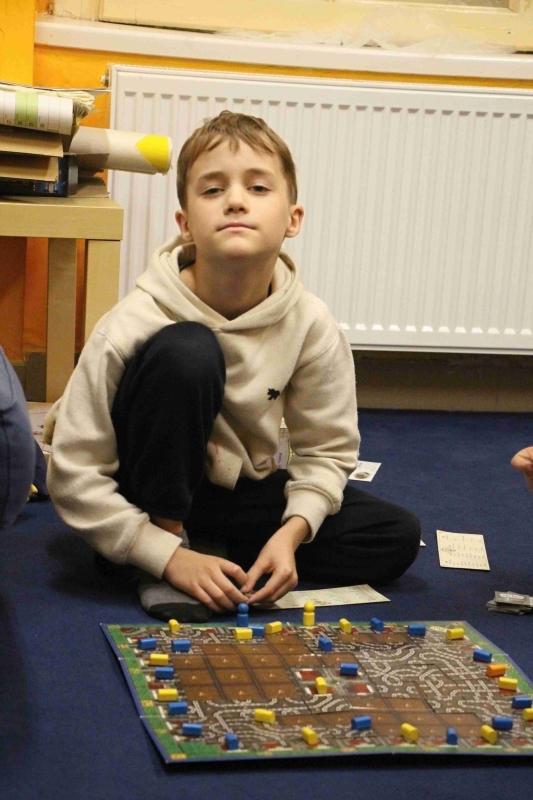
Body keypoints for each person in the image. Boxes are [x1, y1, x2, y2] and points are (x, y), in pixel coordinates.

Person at [46, 111, 420, 621]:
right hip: (146, 491)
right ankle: (164, 551)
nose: (236, 201)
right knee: (189, 351)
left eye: (258, 188)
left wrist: (289, 537)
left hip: (233, 491)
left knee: (394, 537)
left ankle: (206, 553)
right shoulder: (133, 321)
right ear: (185, 225)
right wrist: (164, 551)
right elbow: (73, 472)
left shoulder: (311, 323)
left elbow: (327, 452)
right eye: (212, 190)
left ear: (293, 219)